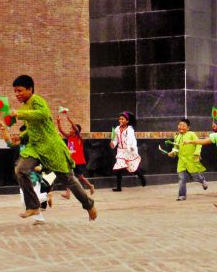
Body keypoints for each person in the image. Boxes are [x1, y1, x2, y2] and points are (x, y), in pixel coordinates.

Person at [10, 75, 97, 221]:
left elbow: (43, 114)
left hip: (51, 147)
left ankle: (88, 204)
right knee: (20, 170)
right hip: (35, 147)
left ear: (30, 89)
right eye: (15, 91)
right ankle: (33, 206)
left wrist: (19, 113)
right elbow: (34, 129)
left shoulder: (36, 100)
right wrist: (21, 136)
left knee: (68, 179)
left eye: (20, 90)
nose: (17, 94)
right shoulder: (25, 105)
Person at [168, 118, 208, 201]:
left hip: (191, 159)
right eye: (180, 125)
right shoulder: (177, 136)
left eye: (184, 125)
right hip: (181, 161)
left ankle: (202, 180)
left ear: (188, 128)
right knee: (182, 178)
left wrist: (197, 153)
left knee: (196, 176)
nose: (181, 127)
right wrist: (172, 153)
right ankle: (182, 195)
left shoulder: (191, 134)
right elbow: (176, 148)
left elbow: (199, 144)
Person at [57, 113, 94, 195]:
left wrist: (69, 120)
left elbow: (76, 128)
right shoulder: (69, 137)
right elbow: (60, 130)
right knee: (69, 176)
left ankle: (90, 185)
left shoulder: (78, 137)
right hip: (71, 160)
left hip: (77, 161)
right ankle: (68, 193)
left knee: (80, 177)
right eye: (70, 129)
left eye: (71, 129)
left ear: (75, 130)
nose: (69, 130)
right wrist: (58, 122)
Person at [110, 111, 146, 191]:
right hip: (120, 152)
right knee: (118, 168)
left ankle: (141, 176)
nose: (120, 121)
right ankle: (119, 187)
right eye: (119, 119)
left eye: (122, 119)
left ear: (127, 121)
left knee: (132, 167)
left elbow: (132, 140)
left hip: (129, 151)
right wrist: (113, 143)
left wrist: (131, 148)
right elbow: (115, 139)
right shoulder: (116, 129)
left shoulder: (130, 130)